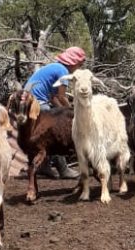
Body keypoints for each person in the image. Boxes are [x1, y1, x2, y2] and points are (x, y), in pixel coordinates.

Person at [24, 46, 86, 179]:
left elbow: (53, 97)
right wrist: (73, 111)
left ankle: (44, 167)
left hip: (27, 101)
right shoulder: (63, 71)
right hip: (37, 103)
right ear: (74, 62)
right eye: (79, 65)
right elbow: (61, 97)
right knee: (55, 132)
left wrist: (64, 111)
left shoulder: (54, 67)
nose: (78, 68)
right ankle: (63, 169)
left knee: (44, 136)